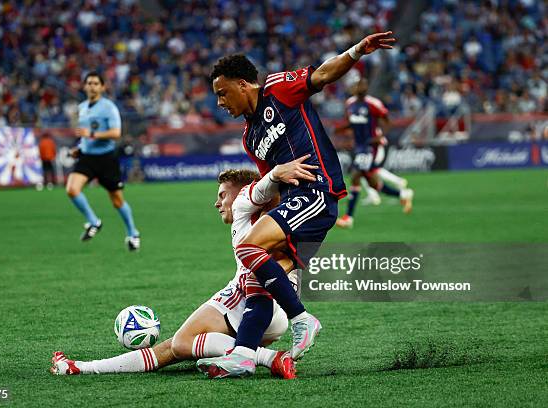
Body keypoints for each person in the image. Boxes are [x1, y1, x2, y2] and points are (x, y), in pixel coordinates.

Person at [201, 31, 396, 375]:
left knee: (247, 248)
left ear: (244, 84)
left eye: (222, 92)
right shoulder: (250, 137)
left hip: (316, 193)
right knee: (254, 278)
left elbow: (322, 74)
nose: (219, 102)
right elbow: (272, 186)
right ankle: (244, 355)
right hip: (293, 206)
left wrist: (356, 51)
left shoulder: (278, 89)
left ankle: (302, 318)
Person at [51, 160, 314, 379]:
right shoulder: (277, 222)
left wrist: (275, 173)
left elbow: (262, 189)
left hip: (249, 297)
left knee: (180, 343)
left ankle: (270, 358)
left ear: (242, 192)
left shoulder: (246, 206)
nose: (217, 202)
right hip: (276, 308)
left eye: (223, 194)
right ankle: (83, 367)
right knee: (174, 349)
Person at [66, 72, 140, 251]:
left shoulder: (109, 107)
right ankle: (93, 222)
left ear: (102, 87)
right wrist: (80, 148)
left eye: (95, 83)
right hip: (87, 157)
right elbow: (85, 135)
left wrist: (91, 135)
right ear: (84, 87)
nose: (92, 86)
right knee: (72, 189)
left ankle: (133, 234)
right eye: (89, 83)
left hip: (106, 158)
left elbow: (116, 133)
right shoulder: (82, 107)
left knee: (117, 201)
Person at [335, 78, 413, 229]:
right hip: (359, 147)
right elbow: (352, 122)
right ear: (354, 88)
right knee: (372, 182)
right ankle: (402, 194)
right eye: (359, 84)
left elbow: (388, 121)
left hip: (371, 146)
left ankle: (348, 218)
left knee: (356, 175)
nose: (361, 87)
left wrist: (381, 135)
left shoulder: (373, 104)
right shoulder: (350, 104)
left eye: (364, 85)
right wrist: (342, 130)